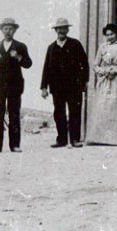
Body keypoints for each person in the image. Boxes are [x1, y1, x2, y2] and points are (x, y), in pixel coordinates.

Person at [40, 18, 89, 148]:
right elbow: (46, 68)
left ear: (67, 30)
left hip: (74, 86)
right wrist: (44, 87)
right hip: (57, 87)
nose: (62, 30)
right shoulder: (51, 48)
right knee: (59, 113)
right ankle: (61, 139)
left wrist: (84, 82)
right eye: (59, 28)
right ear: (56, 31)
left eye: (64, 28)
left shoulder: (75, 44)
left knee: (75, 112)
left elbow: (84, 64)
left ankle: (75, 139)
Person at [85, 23, 117, 145]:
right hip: (105, 79)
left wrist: (116, 71)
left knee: (116, 106)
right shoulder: (102, 47)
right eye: (107, 35)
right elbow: (95, 65)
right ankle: (100, 138)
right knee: (102, 106)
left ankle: (115, 139)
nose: (109, 37)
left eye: (112, 34)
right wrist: (104, 72)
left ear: (116, 33)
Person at [0, 17, 32, 153]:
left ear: (15, 30)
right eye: (6, 28)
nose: (8, 31)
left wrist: (19, 57)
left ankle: (15, 145)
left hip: (15, 86)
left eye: (11, 29)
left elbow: (28, 64)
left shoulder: (20, 46)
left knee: (14, 114)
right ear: (2, 30)